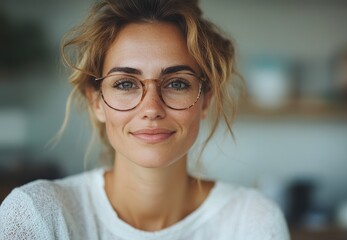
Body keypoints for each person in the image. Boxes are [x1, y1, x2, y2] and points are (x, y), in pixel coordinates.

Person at [0, 0, 290, 239]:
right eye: (125, 83)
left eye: (176, 83)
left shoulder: (252, 222)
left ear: (205, 100)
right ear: (96, 102)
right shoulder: (39, 215)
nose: (151, 108)